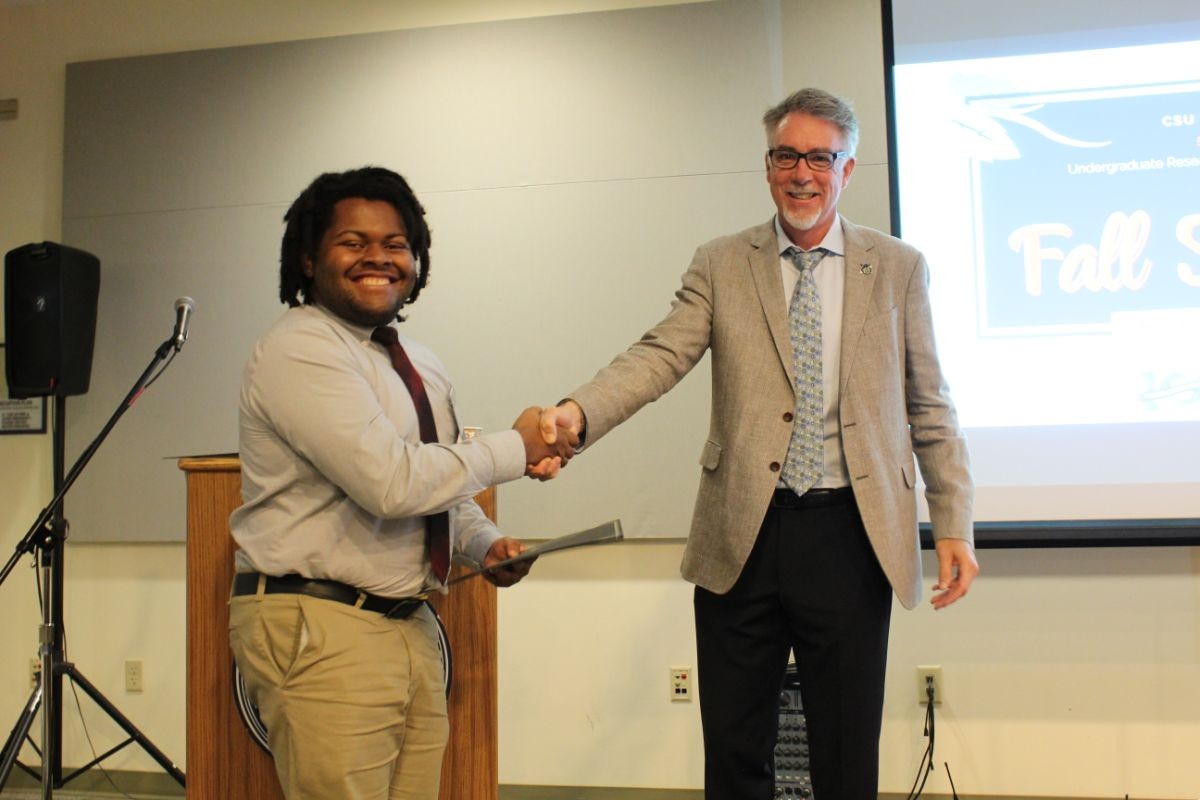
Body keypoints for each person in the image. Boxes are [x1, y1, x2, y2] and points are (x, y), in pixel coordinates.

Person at [538, 88, 978, 799]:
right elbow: (657, 357)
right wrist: (576, 415)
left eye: (819, 157)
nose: (801, 172)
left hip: (852, 532)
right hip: (743, 531)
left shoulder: (896, 267)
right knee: (738, 749)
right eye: (785, 155)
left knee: (843, 754)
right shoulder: (721, 262)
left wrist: (953, 521)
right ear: (767, 164)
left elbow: (929, 402)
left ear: (847, 168)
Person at [227, 166, 575, 800]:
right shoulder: (300, 347)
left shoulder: (418, 362)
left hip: (408, 623)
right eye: (353, 242)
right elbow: (390, 483)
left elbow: (435, 484)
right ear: (308, 257)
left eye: (395, 244)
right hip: (323, 621)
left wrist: (483, 543)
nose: (378, 258)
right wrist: (517, 447)